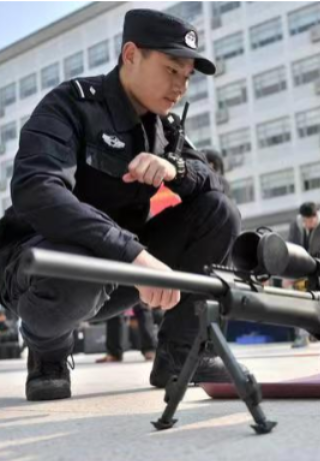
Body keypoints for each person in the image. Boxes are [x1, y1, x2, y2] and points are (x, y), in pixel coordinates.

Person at [0, 9, 241, 402]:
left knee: (218, 210)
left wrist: (174, 168)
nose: (180, 86)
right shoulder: (70, 105)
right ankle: (48, 353)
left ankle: (181, 356)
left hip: (122, 271)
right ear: (131, 55)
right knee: (78, 262)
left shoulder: (165, 130)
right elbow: (37, 189)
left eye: (186, 76)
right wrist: (133, 254)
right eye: (170, 69)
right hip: (42, 267)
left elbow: (214, 184)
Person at [287, 202, 320, 347]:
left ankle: (319, 334)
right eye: (305, 221)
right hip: (299, 271)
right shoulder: (295, 226)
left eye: (310, 221)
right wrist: (288, 274)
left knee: (318, 304)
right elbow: (291, 249)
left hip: (318, 271)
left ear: (317, 216)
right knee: (298, 302)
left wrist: (313, 265)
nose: (308, 224)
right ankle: (302, 336)